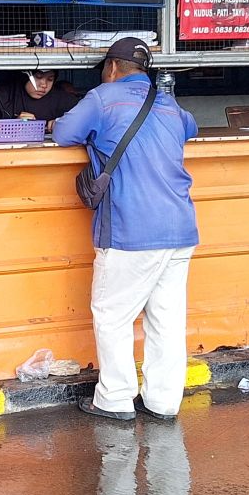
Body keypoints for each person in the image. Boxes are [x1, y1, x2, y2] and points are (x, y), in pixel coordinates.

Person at [52, 38, 200, 421]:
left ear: (113, 68)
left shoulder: (103, 97)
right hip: (180, 227)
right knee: (166, 321)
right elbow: (191, 127)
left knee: (112, 314)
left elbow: (64, 132)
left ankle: (116, 399)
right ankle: (163, 402)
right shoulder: (166, 102)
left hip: (131, 229)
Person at [0, 69, 80, 130]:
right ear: (25, 76)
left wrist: (63, 123)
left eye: (50, 79)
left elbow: (87, 120)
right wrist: (12, 126)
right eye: (38, 77)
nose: (44, 84)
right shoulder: (2, 96)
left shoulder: (60, 98)